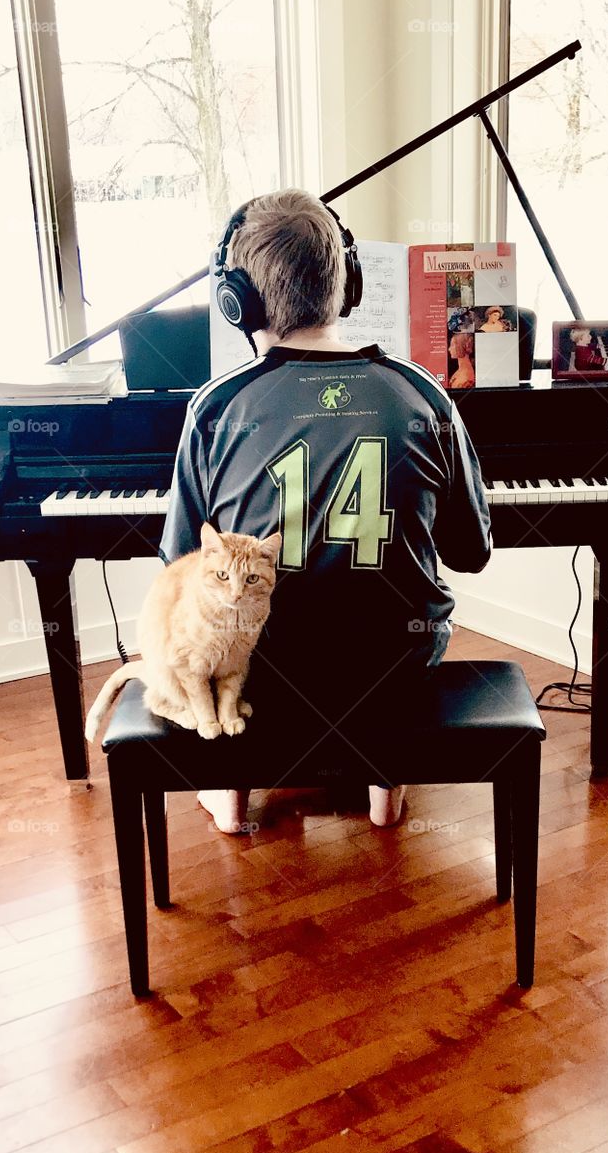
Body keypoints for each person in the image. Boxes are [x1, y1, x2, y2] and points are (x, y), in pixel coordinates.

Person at [160, 189, 491, 831]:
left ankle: (230, 790)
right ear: (349, 284)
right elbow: (470, 552)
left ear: (238, 301)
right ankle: (383, 784)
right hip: (396, 666)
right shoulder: (423, 394)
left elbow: (183, 567)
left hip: (264, 670)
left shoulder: (216, 407)